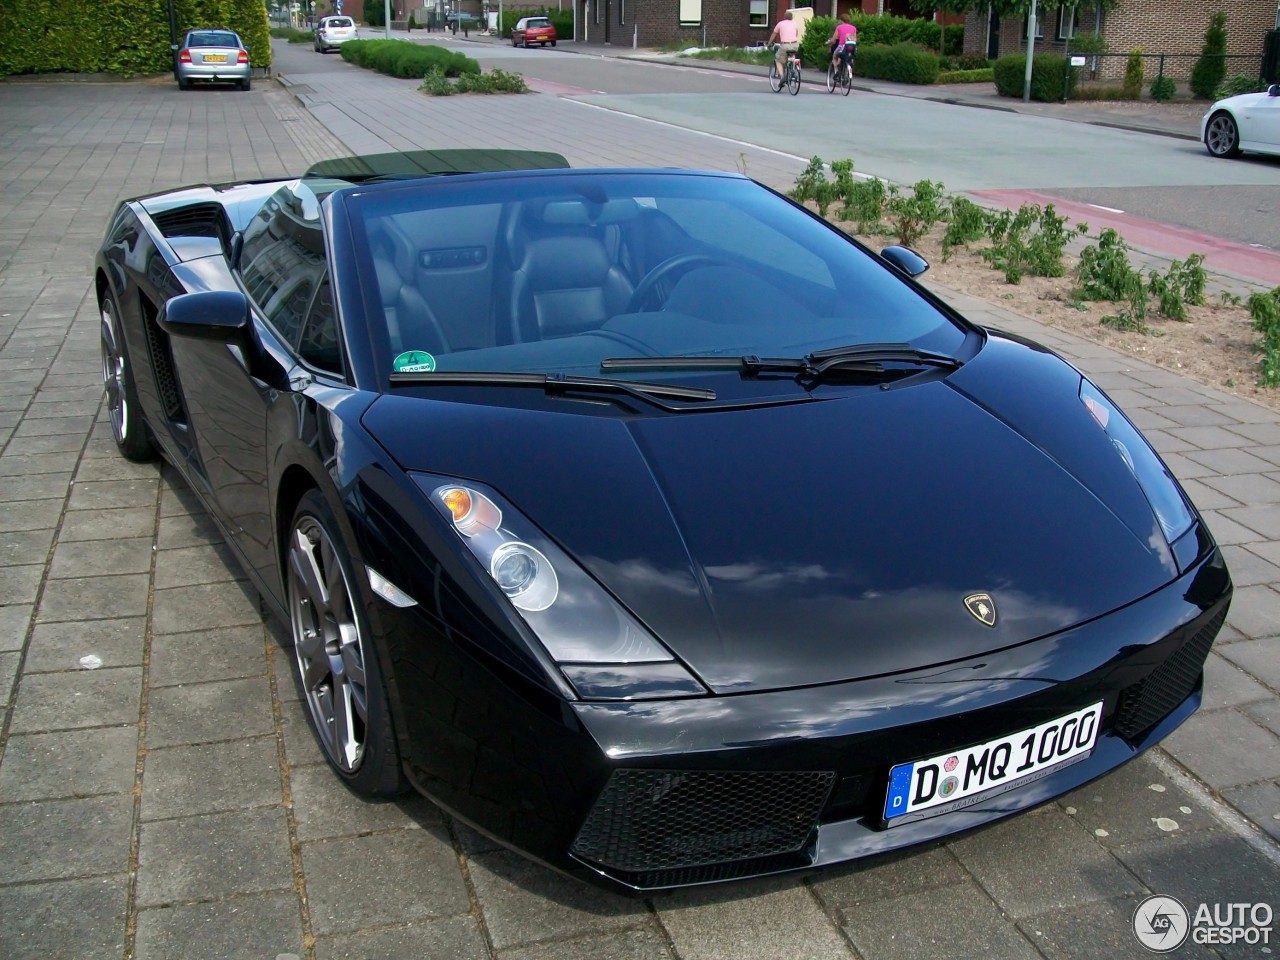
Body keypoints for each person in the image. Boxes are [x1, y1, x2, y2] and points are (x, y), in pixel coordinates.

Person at [767, 10, 800, 77]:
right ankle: (793, 68)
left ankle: (782, 76)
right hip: (795, 45)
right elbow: (796, 34)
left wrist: (769, 43)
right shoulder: (795, 24)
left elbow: (774, 34)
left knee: (778, 60)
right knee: (791, 54)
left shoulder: (780, 23)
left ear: (784, 17)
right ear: (792, 17)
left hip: (785, 45)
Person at [826, 13, 857, 78]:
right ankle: (847, 71)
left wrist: (829, 43)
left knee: (835, 56)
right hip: (852, 47)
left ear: (841, 20)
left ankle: (837, 71)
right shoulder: (853, 28)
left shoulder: (839, 27)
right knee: (849, 58)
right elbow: (855, 39)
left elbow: (834, 38)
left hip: (842, 47)